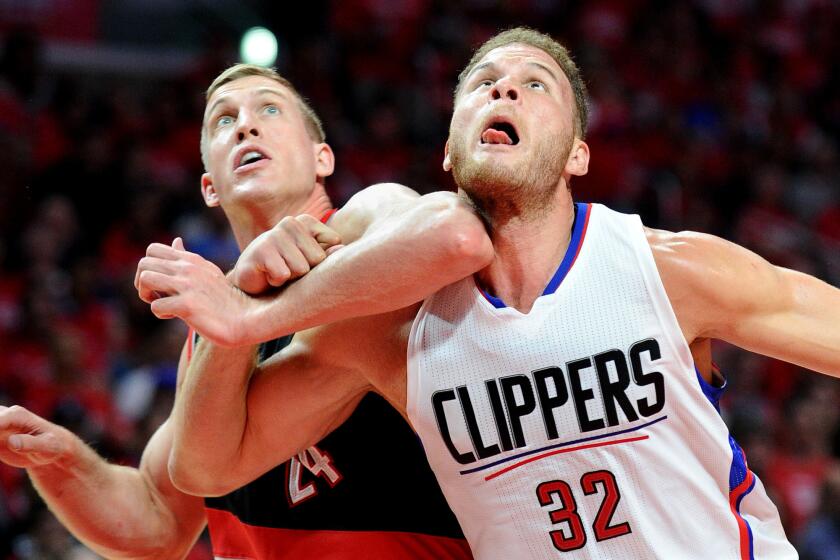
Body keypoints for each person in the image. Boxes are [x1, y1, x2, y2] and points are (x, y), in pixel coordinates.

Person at [140, 27, 840, 559]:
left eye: (535, 85)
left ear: (577, 154)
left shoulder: (667, 271)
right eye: (482, 83)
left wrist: (255, 308)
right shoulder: (394, 331)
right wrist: (234, 318)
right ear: (448, 152)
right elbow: (206, 464)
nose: (503, 90)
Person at [0, 63, 496, 559]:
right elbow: (160, 522)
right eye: (223, 120)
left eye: (270, 109)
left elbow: (449, 236)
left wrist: (246, 314)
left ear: (321, 158)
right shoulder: (213, 328)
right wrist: (59, 459)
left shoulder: (364, 224)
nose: (245, 125)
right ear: (209, 187)